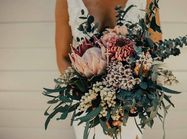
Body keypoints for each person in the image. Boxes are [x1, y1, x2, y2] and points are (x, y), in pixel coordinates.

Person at [55, 0, 162, 138]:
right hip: (88, 108)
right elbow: (63, 57)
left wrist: (132, 97)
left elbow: (156, 52)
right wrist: (89, 96)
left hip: (131, 105)